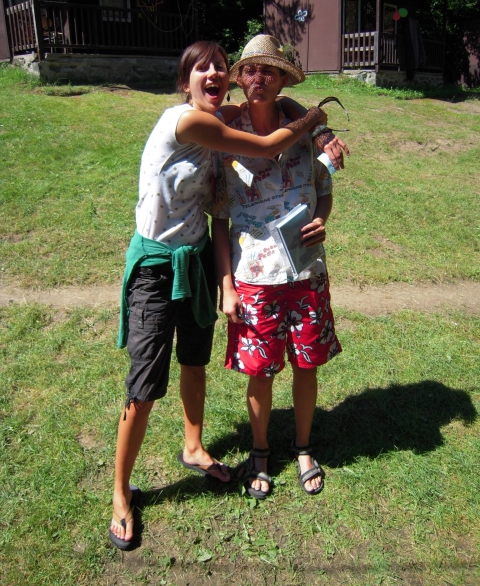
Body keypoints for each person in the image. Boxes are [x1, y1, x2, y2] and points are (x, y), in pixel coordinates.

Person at [110, 39, 326, 549]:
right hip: (157, 266)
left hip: (199, 257)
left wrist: (319, 127)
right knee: (144, 387)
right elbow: (267, 145)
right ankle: (120, 492)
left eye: (220, 68)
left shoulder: (219, 117)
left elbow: (274, 102)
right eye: (201, 68)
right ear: (183, 81)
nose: (213, 74)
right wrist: (316, 118)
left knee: (194, 362)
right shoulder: (186, 121)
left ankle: (193, 447)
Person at [212, 34, 348, 499]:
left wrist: (321, 219)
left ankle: (304, 448)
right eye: (250, 70)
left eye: (268, 71)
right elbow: (219, 219)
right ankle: (261, 451)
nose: (259, 78)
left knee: (307, 365)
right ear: (239, 79)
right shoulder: (224, 133)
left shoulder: (305, 130)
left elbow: (324, 187)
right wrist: (227, 285)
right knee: (260, 371)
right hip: (254, 279)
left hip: (306, 272)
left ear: (283, 79)